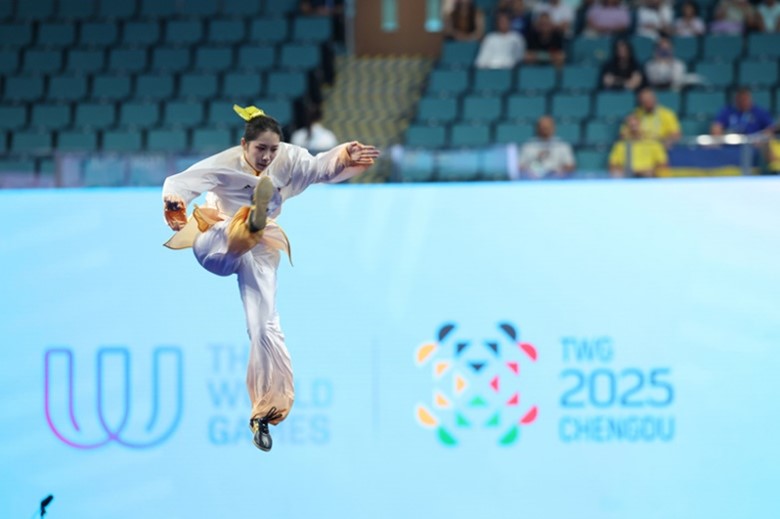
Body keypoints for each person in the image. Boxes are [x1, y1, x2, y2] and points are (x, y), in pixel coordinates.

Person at [161, 105, 379, 451]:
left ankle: (264, 413)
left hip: (260, 247)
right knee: (230, 239)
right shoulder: (225, 163)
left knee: (264, 327)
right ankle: (248, 222)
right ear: (244, 144)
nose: (266, 156)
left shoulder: (289, 158)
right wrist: (175, 210)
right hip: (215, 237)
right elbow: (178, 184)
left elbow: (322, 167)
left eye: (272, 150)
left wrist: (343, 154)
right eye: (260, 149)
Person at [711, 88, 775, 136]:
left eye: (745, 99)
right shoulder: (728, 110)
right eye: (741, 99)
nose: (743, 102)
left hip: (754, 145)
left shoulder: (760, 112)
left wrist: (761, 138)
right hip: (731, 144)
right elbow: (716, 126)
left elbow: (771, 128)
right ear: (736, 100)